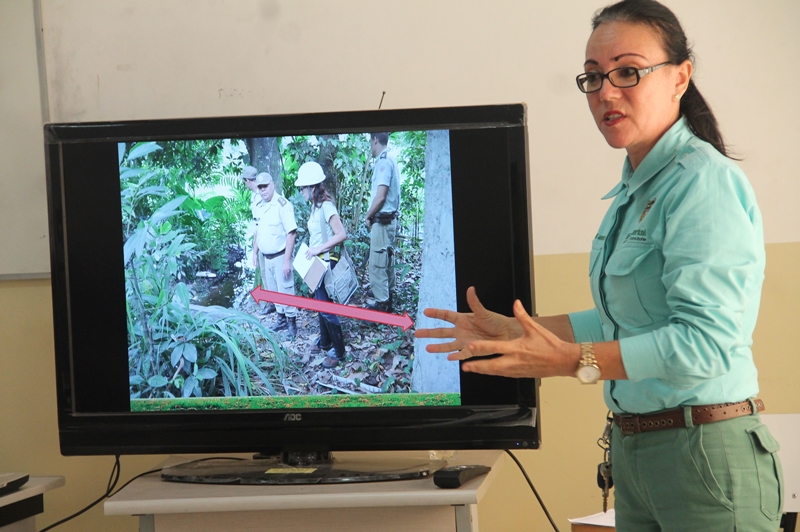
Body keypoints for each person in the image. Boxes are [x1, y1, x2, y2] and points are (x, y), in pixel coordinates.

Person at [416, 1, 783, 530]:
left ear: (680, 77)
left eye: (628, 72)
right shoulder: (634, 189)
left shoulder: (704, 182)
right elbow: (625, 318)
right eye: (593, 77)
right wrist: (524, 331)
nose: (606, 92)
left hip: (704, 455)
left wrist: (571, 360)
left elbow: (706, 344)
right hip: (637, 451)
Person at [295, 161, 348, 368]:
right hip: (317, 262)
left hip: (327, 260)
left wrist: (318, 249)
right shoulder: (315, 207)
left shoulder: (326, 206)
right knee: (319, 303)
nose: (301, 191)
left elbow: (341, 234)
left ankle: (339, 350)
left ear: (313, 187)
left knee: (326, 307)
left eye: (303, 188)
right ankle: (326, 341)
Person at [252, 172, 298, 338]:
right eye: (260, 187)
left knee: (286, 290)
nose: (263, 190)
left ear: (272, 185)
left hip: (280, 256)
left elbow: (291, 233)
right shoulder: (259, 205)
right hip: (266, 257)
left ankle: (292, 322)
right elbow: (258, 231)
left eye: (265, 186)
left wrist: (287, 260)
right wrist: (254, 252)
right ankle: (281, 318)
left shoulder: (282, 205)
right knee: (273, 290)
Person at [364, 132, 401, 312]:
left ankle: (382, 304)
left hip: (383, 221)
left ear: (375, 140)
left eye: (370, 141)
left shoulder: (383, 161)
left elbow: (380, 197)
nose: (370, 146)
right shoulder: (390, 158)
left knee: (377, 263)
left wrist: (367, 216)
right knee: (386, 260)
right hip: (389, 221)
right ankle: (387, 294)